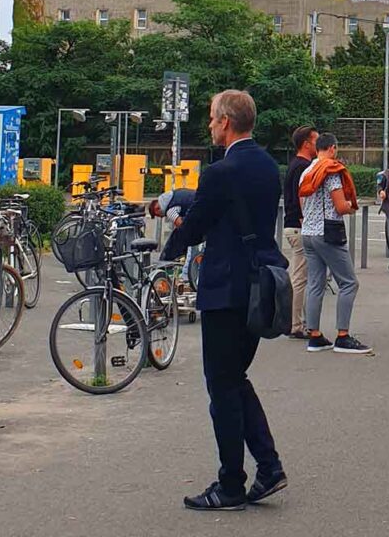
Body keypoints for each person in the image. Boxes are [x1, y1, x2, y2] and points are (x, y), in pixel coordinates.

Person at [162, 90, 287, 511]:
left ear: (227, 122)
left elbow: (196, 225)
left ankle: (231, 483)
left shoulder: (220, 171)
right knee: (236, 379)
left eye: (213, 119)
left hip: (225, 290)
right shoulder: (269, 166)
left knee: (222, 386)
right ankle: (268, 468)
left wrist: (168, 238)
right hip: (260, 286)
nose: (210, 125)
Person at [299, 133, 372, 354]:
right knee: (349, 283)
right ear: (332, 148)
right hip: (328, 233)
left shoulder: (307, 171)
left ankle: (314, 335)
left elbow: (302, 201)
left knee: (315, 284)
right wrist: (351, 205)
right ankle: (343, 336)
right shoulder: (331, 172)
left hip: (308, 232)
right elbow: (340, 206)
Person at [282, 125, 318, 339]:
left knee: (300, 277)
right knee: (300, 279)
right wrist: (308, 223)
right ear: (306, 143)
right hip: (299, 225)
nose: (318, 144)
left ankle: (297, 321)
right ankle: (295, 324)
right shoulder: (303, 167)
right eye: (316, 140)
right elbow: (302, 198)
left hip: (292, 225)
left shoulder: (294, 164)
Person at [148, 186, 198, 282]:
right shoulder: (174, 195)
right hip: (201, 207)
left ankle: (184, 275)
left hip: (197, 214)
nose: (161, 217)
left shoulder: (170, 210)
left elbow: (182, 226)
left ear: (157, 209)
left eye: (158, 215)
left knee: (181, 241)